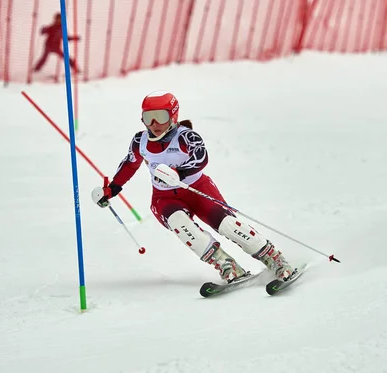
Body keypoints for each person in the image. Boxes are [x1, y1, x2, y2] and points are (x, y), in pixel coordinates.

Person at [92, 91, 294, 283]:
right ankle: (227, 265)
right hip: (164, 198)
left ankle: (275, 260)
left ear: (173, 115)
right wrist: (112, 189)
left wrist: (179, 174)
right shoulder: (140, 140)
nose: (154, 124)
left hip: (197, 189)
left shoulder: (186, 136)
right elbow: (130, 163)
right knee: (181, 225)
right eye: (148, 117)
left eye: (160, 117)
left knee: (226, 225)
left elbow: (201, 158)